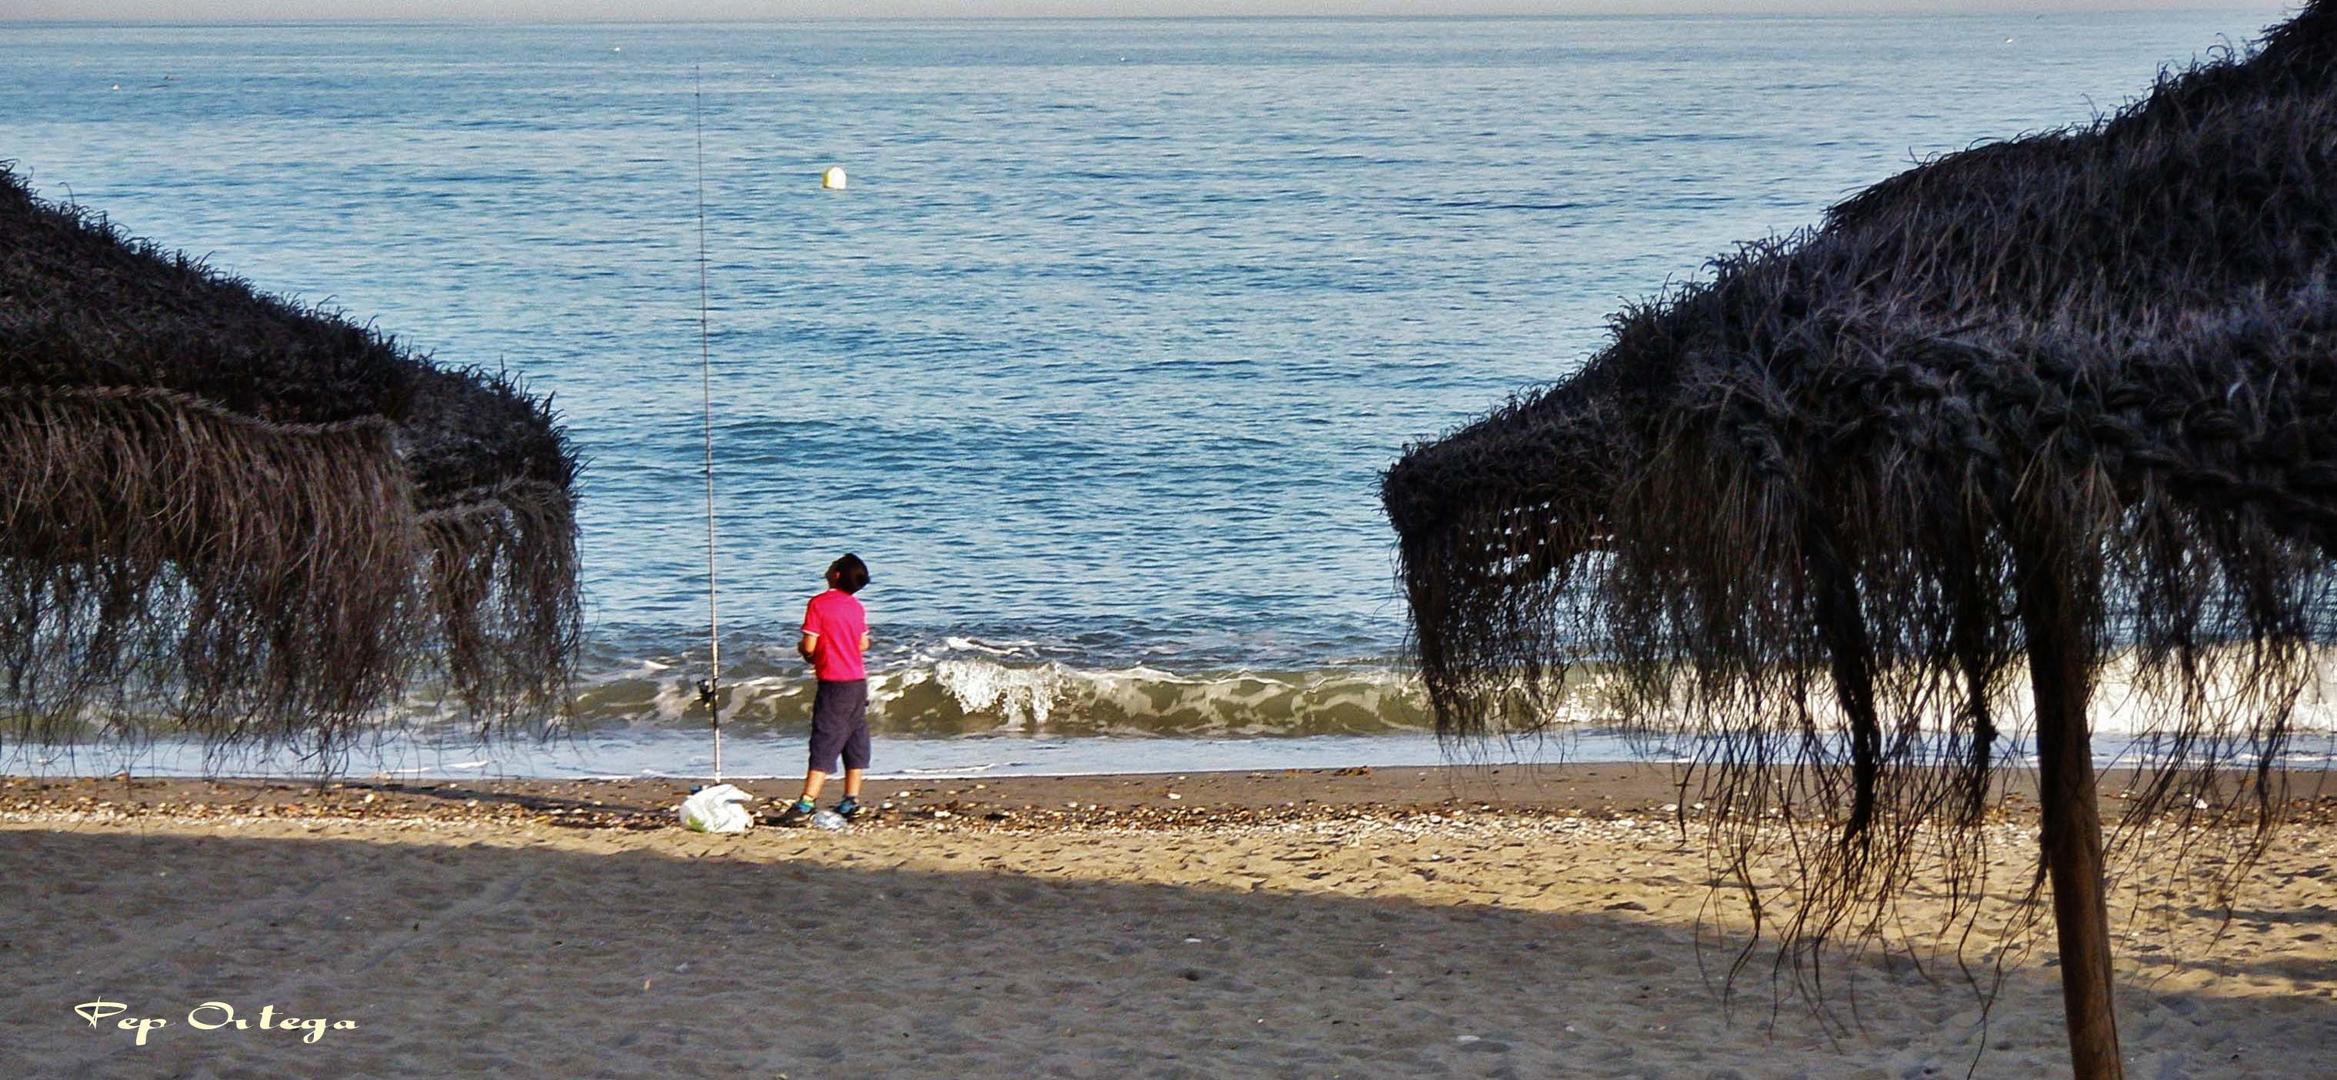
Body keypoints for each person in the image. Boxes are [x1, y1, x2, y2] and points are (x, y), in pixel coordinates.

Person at [775, 554, 872, 825]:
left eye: (833, 565)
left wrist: (806, 653)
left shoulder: (818, 604)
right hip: (857, 682)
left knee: (825, 739)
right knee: (854, 737)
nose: (828, 568)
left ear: (837, 574)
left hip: (833, 683)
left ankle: (807, 801)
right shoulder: (856, 606)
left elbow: (809, 646)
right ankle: (850, 800)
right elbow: (863, 644)